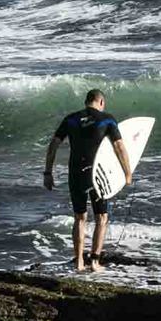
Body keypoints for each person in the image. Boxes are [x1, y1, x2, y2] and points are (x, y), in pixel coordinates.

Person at [43, 88, 136, 273]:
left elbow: (53, 144)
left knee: (79, 218)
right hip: (97, 175)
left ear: (87, 101)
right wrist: (127, 173)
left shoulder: (70, 119)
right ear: (101, 102)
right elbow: (119, 147)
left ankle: (78, 262)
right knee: (101, 217)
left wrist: (48, 172)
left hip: (75, 173)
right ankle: (94, 262)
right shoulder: (107, 119)